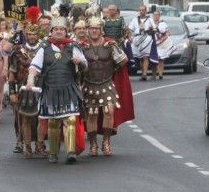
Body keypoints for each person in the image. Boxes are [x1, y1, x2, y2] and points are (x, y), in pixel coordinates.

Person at [26, 16, 87, 164]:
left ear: (66, 31)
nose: (59, 32)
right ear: (51, 31)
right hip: (51, 89)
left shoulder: (73, 46)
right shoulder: (44, 47)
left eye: (61, 29)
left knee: (70, 120)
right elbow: (34, 66)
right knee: (53, 122)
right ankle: (53, 153)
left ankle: (71, 152)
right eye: (56, 29)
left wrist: (80, 62)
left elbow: (85, 64)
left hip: (69, 88)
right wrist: (30, 80)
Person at [81, 17, 127, 156]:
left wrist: (114, 66)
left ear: (101, 30)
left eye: (97, 28)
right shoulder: (81, 46)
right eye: (92, 28)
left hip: (106, 83)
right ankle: (93, 143)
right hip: (89, 84)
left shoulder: (110, 45)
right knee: (92, 115)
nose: (94, 30)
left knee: (109, 111)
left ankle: (106, 142)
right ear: (88, 30)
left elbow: (123, 60)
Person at [8, 21, 48, 158]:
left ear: (38, 35)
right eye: (29, 34)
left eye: (34, 34)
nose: (31, 37)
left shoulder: (44, 49)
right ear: (26, 35)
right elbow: (12, 72)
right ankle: (27, 147)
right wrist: (12, 92)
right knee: (25, 119)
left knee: (41, 119)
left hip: (41, 87)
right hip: (23, 88)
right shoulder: (18, 50)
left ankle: (39, 144)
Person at [129, 5, 158, 81]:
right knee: (140, 58)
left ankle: (145, 74)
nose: (141, 12)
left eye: (143, 10)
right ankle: (143, 74)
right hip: (137, 39)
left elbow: (155, 28)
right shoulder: (134, 20)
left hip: (146, 38)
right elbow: (130, 29)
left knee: (145, 57)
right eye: (140, 10)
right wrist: (130, 37)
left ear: (146, 11)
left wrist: (151, 29)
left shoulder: (150, 20)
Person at [152, 10, 173, 79]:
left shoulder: (163, 24)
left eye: (157, 15)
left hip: (162, 43)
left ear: (159, 16)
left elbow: (167, 33)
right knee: (155, 58)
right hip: (153, 43)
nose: (156, 16)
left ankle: (160, 73)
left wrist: (162, 39)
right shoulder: (150, 23)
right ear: (153, 16)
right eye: (154, 15)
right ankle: (155, 73)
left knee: (161, 59)